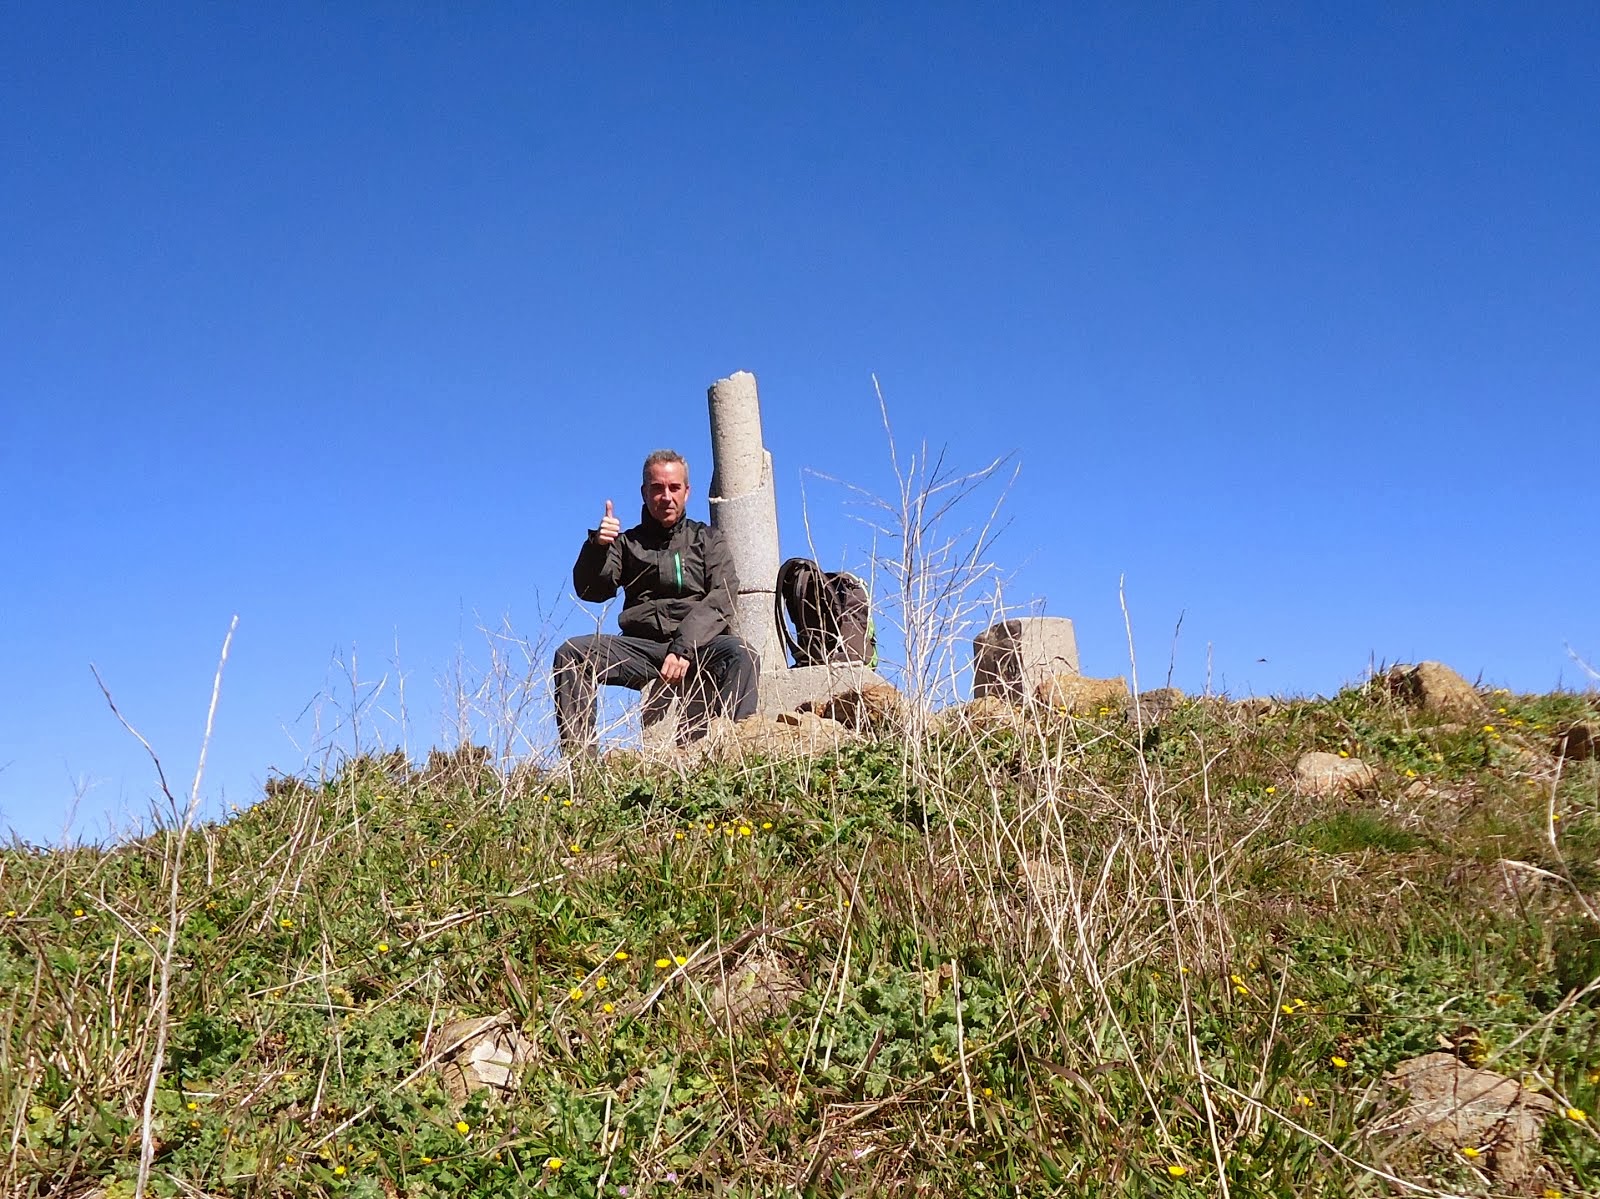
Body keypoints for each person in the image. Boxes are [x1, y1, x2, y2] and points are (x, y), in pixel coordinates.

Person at [553, 449, 759, 754]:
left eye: (674, 488)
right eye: (657, 488)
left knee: (742, 653)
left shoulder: (708, 540)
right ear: (644, 492)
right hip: (642, 650)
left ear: (687, 492)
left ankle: (729, 756)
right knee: (572, 653)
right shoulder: (627, 543)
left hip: (699, 647)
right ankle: (581, 768)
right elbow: (591, 591)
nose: (666, 497)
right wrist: (596, 547)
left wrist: (683, 647)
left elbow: (722, 597)